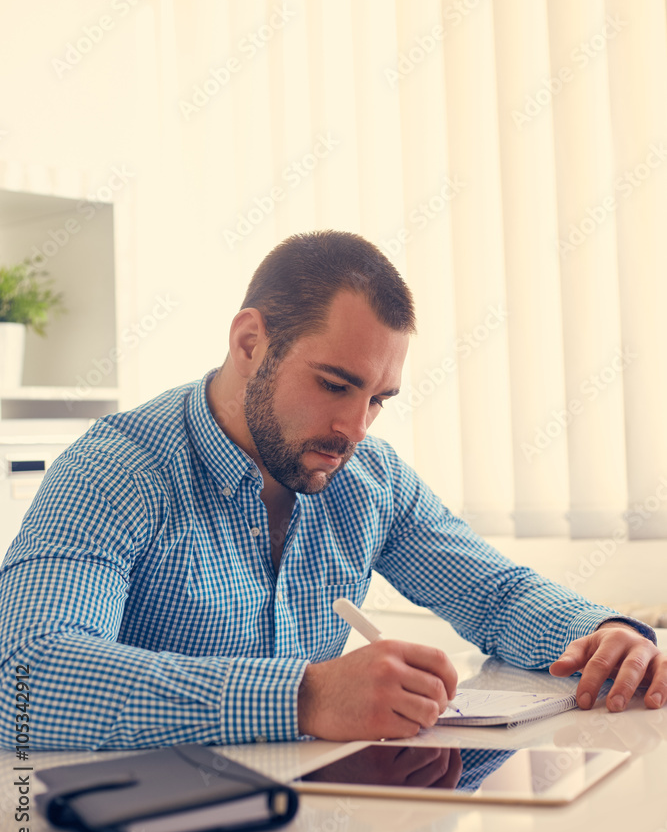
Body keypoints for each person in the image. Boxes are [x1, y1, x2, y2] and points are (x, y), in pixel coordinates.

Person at [0, 230, 665, 750]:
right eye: (334, 384)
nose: (354, 429)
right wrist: (306, 697)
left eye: (378, 399)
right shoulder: (116, 471)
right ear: (250, 343)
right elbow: (22, 676)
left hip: (312, 830)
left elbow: (496, 596)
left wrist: (602, 632)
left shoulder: (370, 477)